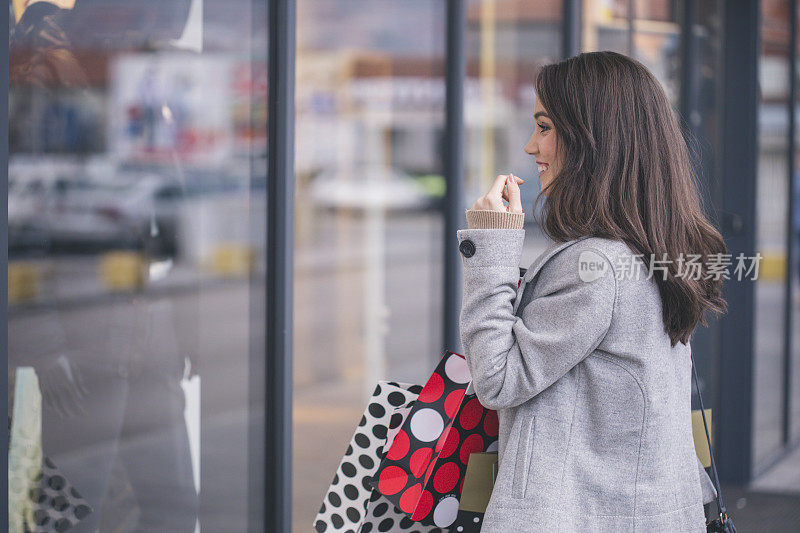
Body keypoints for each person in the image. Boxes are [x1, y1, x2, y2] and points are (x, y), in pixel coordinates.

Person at [457, 51, 725, 532]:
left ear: (590, 140)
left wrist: (493, 248)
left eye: (544, 127)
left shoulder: (597, 267)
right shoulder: (658, 248)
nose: (530, 145)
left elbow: (497, 379)